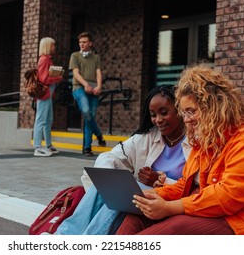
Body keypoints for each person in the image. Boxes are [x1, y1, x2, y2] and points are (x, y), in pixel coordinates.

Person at [116, 65, 244, 235]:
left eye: (191, 112)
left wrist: (169, 208)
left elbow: (227, 197)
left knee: (173, 228)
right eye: (184, 113)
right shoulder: (206, 140)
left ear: (214, 106)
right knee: (135, 217)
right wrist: (150, 194)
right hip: (211, 209)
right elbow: (184, 185)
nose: (186, 120)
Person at [54, 85, 191, 235]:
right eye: (153, 115)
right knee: (110, 186)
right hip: (147, 196)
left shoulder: (195, 142)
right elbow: (110, 156)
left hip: (172, 201)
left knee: (125, 196)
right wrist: (109, 181)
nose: (158, 120)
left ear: (179, 109)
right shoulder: (148, 137)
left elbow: (197, 187)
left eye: (164, 113)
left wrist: (159, 181)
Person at [70, 32, 106, 157]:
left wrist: (99, 86)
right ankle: (99, 134)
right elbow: (75, 73)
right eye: (80, 42)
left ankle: (87, 148)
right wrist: (85, 85)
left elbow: (98, 73)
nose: (82, 44)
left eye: (84, 42)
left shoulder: (96, 58)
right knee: (86, 111)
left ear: (90, 43)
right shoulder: (75, 56)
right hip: (79, 88)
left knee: (90, 117)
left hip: (94, 89)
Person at [33, 37, 63, 157]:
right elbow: (44, 79)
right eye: (53, 45)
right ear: (47, 46)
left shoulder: (46, 59)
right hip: (45, 94)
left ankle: (48, 145)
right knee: (41, 120)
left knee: (47, 120)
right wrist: (58, 77)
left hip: (47, 94)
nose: (54, 47)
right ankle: (38, 147)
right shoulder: (44, 59)